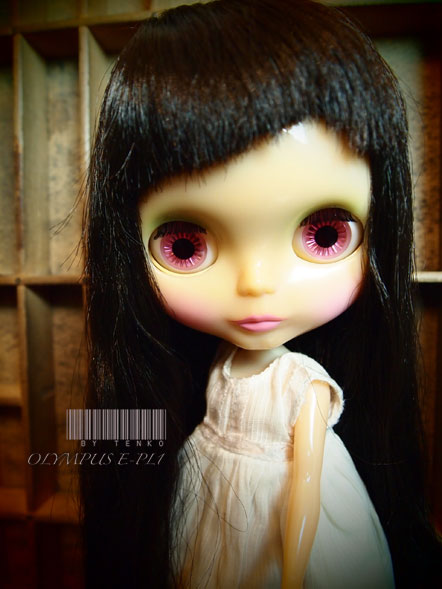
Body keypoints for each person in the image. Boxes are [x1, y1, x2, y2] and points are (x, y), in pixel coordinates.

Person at [81, 1, 440, 587]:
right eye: (185, 246)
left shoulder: (305, 384)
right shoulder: (212, 368)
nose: (255, 285)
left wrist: (294, 564)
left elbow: (307, 484)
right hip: (209, 493)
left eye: (325, 235)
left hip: (283, 518)